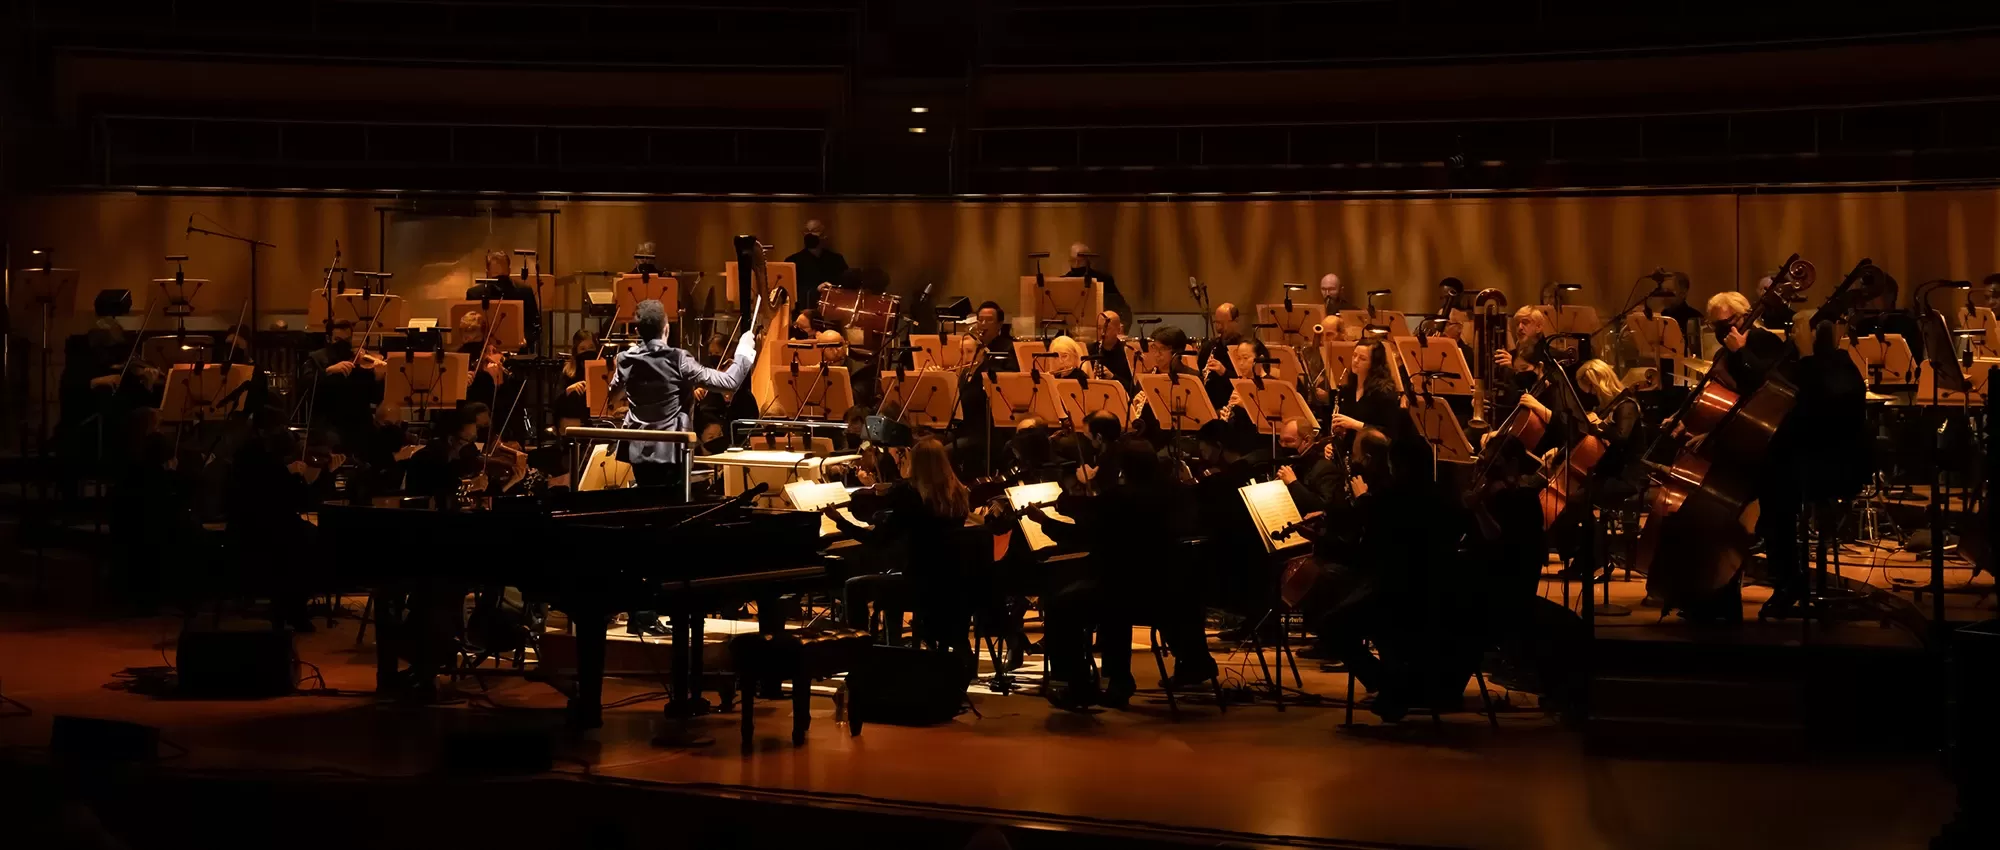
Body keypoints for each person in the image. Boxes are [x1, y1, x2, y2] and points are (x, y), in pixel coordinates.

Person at [1028, 437, 1215, 709]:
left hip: (1133, 594)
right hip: (1178, 592)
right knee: (1113, 591)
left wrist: (1045, 522)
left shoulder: (1119, 498)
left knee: (1063, 604)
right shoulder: (1180, 493)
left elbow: (1084, 536)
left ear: (1123, 469)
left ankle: (1077, 684)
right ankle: (1120, 680)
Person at [826, 438, 977, 671]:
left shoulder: (911, 496)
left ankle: (860, 658)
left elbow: (878, 541)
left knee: (854, 586)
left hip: (920, 584)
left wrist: (841, 521)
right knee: (892, 580)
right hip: (954, 584)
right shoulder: (958, 494)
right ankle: (892, 646)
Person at [1758, 320, 1869, 619]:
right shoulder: (1803, 366)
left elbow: (1816, 407)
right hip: (1804, 459)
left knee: (1776, 499)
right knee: (1770, 490)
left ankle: (1787, 581)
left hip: (1833, 464)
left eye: (1799, 330)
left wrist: (1806, 357)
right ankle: (1784, 578)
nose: (1793, 334)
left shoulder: (1840, 368)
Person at [609, 299, 758, 489]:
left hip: (638, 449)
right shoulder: (679, 359)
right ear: (666, 329)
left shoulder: (625, 359)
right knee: (672, 504)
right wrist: (744, 351)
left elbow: (613, 397)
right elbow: (730, 382)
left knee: (644, 501)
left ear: (637, 331)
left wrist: (621, 369)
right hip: (672, 449)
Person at [301, 319, 381, 450]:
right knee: (332, 440)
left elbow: (375, 397)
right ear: (328, 338)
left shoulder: (360, 361)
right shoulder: (317, 358)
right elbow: (306, 385)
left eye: (347, 340)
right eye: (337, 340)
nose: (343, 345)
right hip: (328, 421)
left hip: (358, 421)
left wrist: (378, 378)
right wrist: (328, 371)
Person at [1706, 291, 1786, 395]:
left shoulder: (1764, 339)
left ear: (1745, 316)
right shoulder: (1721, 355)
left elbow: (1772, 382)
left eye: (1727, 322)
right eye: (1716, 325)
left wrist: (1740, 351)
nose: (1721, 329)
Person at [465, 250, 541, 352]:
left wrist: (525, 339)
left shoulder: (524, 291)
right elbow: (468, 327)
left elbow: (535, 325)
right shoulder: (474, 294)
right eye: (496, 277)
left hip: (517, 353)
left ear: (509, 271)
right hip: (483, 353)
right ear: (487, 272)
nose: (500, 284)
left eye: (503, 277)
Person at [1063, 242, 1131, 322]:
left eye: (1080, 261)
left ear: (1088, 260)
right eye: (1073, 261)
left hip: (1099, 326)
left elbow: (1121, 308)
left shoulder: (1103, 279)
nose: (1077, 265)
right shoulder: (1064, 282)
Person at [785, 219, 850, 294]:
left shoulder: (836, 260)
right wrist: (816, 289)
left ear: (824, 235)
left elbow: (846, 287)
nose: (810, 234)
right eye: (807, 231)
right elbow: (789, 290)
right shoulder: (792, 261)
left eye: (815, 231)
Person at [556, 328, 601, 429]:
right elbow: (556, 402)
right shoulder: (567, 370)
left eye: (591, 348)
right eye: (583, 349)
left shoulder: (603, 368)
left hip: (596, 418)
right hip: (574, 416)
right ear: (576, 351)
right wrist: (570, 389)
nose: (587, 352)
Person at [972, 301, 1016, 367]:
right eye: (980, 320)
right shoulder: (974, 346)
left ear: (999, 324)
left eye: (989, 320)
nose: (983, 323)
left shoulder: (1009, 349)